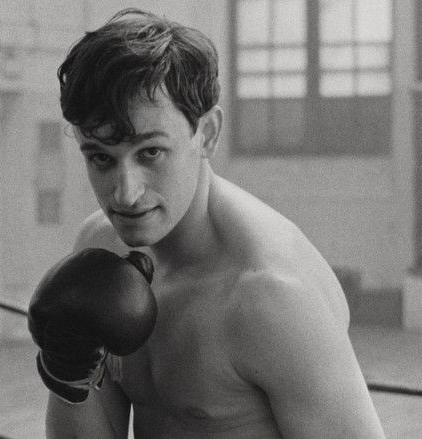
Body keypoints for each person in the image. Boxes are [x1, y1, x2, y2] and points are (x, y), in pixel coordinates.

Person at [35, 8, 385, 438]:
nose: (125, 193)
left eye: (150, 153)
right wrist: (68, 378)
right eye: (101, 158)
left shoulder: (271, 296)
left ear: (208, 133)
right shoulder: (102, 250)